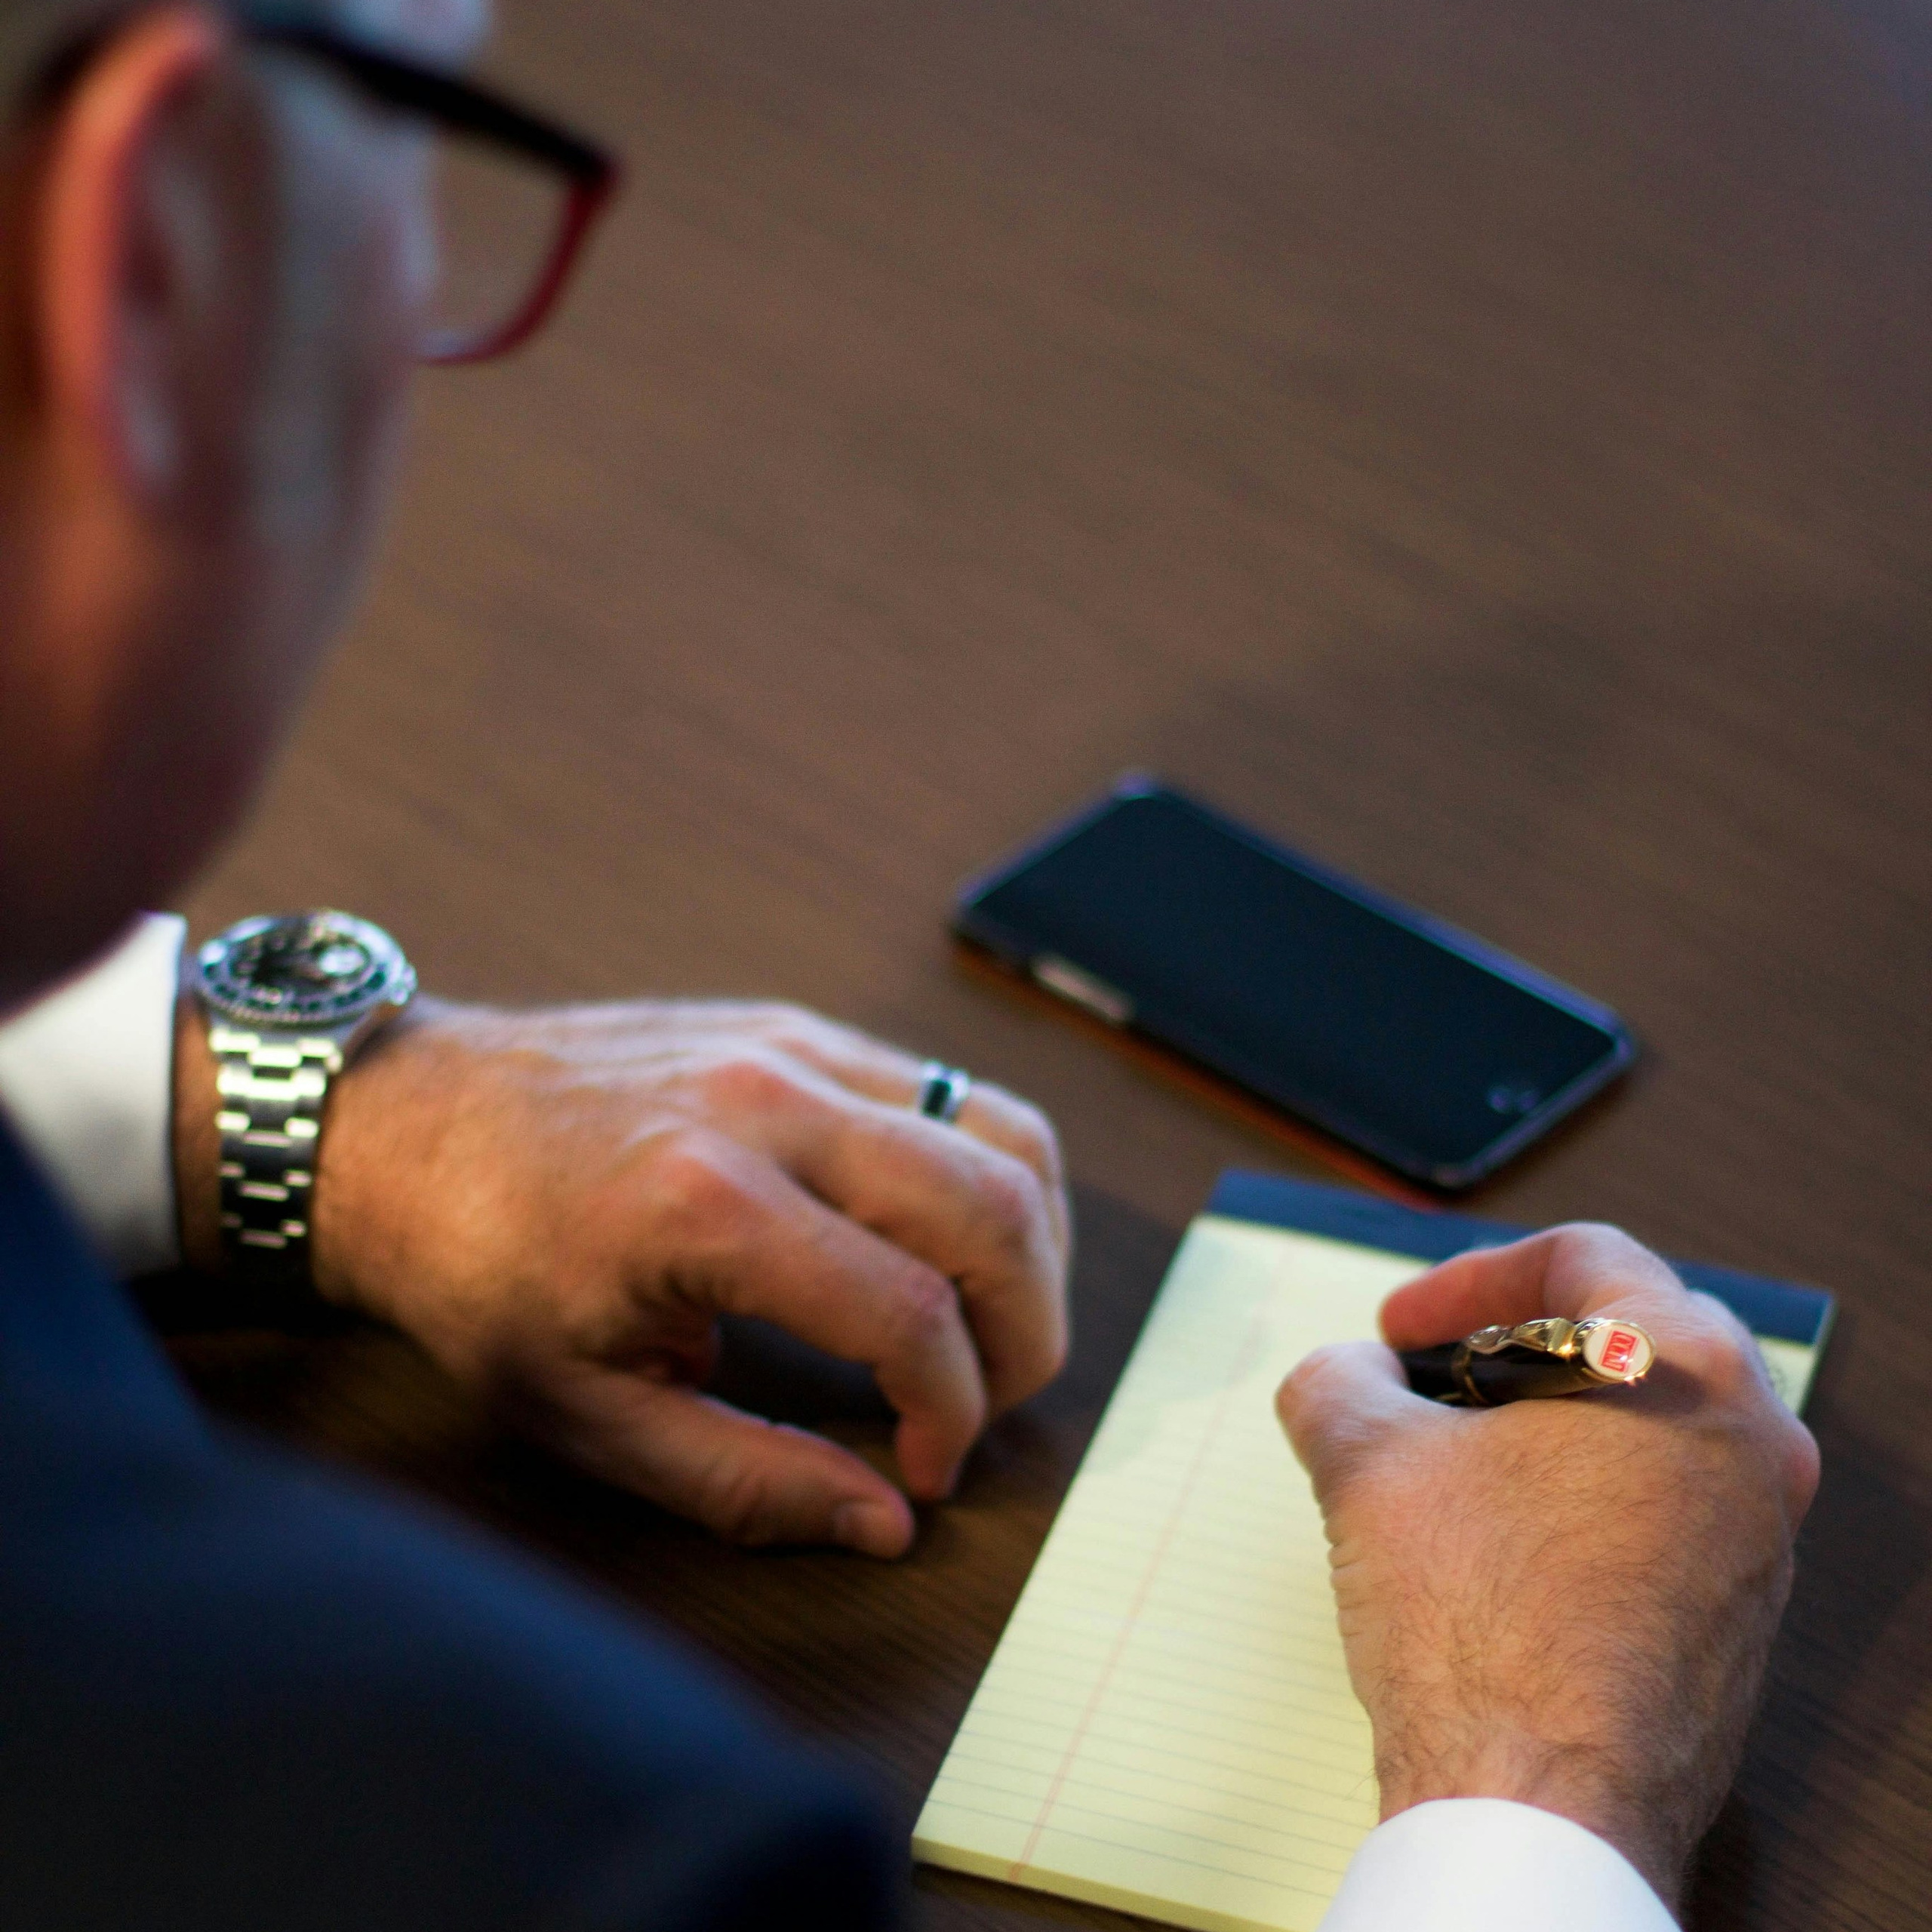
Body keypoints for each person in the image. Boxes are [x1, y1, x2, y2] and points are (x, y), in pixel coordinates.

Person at [0, 1, 1817, 1926]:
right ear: (164, 259)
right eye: (423, 149)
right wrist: (1542, 1797)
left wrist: (288, 1102)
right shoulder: (504, 1830)